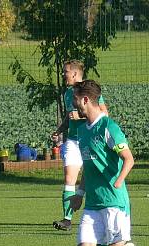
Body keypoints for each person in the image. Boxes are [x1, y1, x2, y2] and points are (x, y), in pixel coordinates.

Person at [66, 80, 149, 246]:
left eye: (75, 100)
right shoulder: (82, 131)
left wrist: (119, 181)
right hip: (93, 203)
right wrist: (79, 193)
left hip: (113, 201)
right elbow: (88, 167)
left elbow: (129, 159)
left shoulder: (109, 127)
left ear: (85, 100)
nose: (73, 105)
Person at [51, 60, 108, 231]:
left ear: (75, 74)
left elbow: (104, 113)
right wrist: (60, 130)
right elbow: (70, 117)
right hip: (73, 141)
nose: (63, 74)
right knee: (69, 178)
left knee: (93, 177)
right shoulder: (68, 93)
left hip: (90, 141)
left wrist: (81, 118)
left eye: (65, 72)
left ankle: (102, 213)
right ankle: (67, 219)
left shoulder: (89, 91)